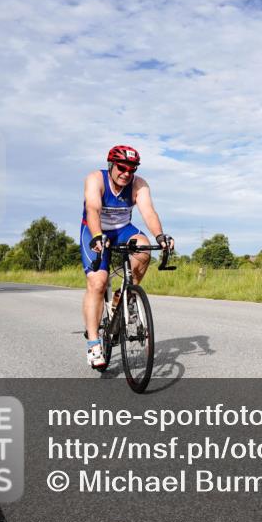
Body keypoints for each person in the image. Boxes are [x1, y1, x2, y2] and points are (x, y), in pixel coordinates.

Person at [80, 145, 174, 368]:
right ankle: (94, 343)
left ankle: (122, 297)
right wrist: (97, 236)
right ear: (111, 165)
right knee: (98, 281)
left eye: (132, 169)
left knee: (143, 248)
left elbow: (148, 212)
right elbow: (93, 209)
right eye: (122, 168)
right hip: (95, 230)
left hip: (123, 229)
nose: (126, 173)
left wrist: (160, 236)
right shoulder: (96, 179)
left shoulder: (139, 184)